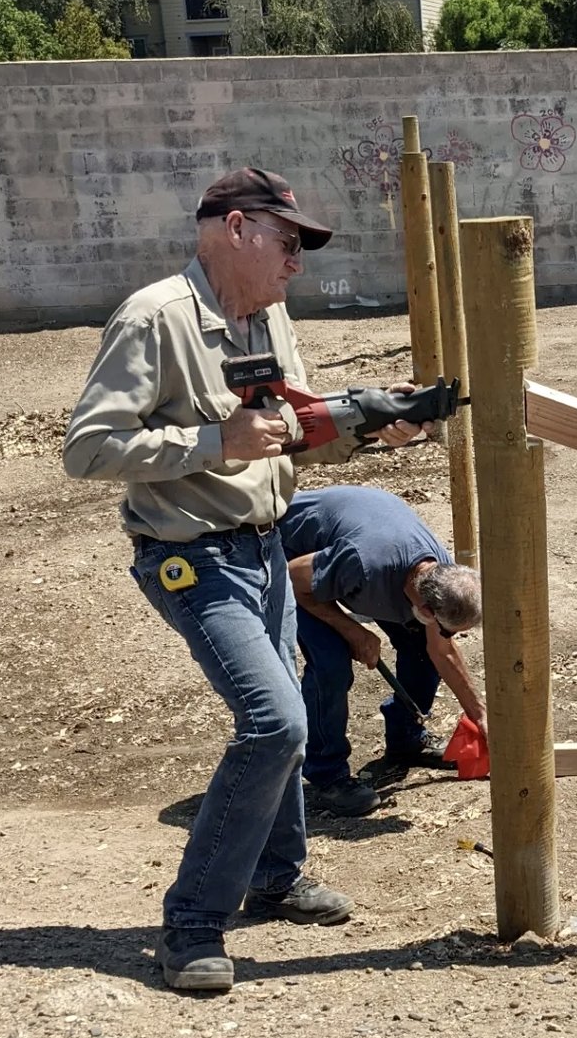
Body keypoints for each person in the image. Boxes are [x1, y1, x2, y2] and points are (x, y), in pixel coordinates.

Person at [62, 167, 429, 993]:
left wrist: (373, 427)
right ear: (235, 230)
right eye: (288, 242)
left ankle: (277, 874)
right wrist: (210, 444)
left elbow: (285, 434)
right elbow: (86, 449)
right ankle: (192, 924)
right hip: (190, 556)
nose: (296, 262)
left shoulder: (267, 318)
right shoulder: (154, 320)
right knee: (275, 724)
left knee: (284, 711)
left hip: (263, 548)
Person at [280, 484, 488, 817]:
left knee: (422, 647)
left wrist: (480, 715)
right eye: (447, 627)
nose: (447, 635)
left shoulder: (443, 575)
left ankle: (406, 740)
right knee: (331, 664)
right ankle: (327, 776)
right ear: (425, 608)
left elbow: (441, 650)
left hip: (351, 554)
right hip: (290, 557)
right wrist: (352, 630)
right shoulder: (364, 563)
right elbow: (292, 579)